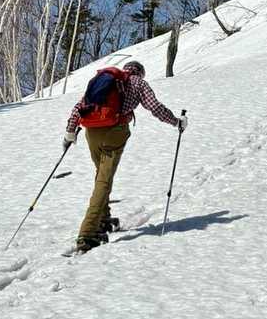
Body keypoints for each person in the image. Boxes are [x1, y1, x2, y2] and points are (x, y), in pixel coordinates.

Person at [63, 59, 185, 253]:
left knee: (101, 175)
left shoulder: (105, 79)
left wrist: (70, 132)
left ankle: (103, 218)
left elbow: (80, 105)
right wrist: (176, 122)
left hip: (91, 132)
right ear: (140, 72)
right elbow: (155, 107)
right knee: (104, 179)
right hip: (114, 131)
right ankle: (88, 233)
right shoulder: (138, 82)